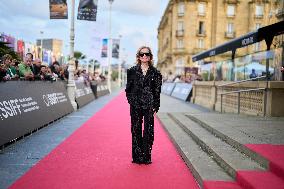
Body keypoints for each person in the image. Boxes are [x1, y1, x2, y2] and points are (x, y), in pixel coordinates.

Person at [125, 46, 162, 165]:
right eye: (142, 54)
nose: (144, 56)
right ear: (138, 57)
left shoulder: (156, 73)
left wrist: (156, 106)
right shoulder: (131, 71)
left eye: (147, 54)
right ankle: (137, 156)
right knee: (135, 129)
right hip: (135, 105)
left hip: (149, 105)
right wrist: (131, 101)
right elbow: (128, 89)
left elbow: (157, 91)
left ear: (150, 56)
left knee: (148, 130)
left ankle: (146, 156)